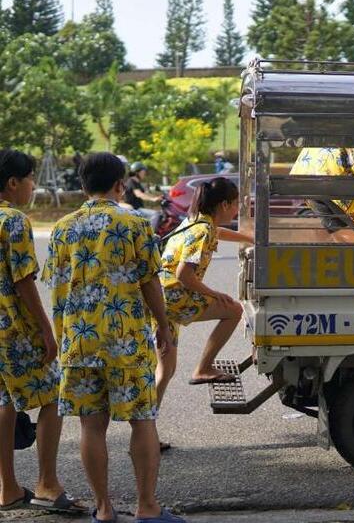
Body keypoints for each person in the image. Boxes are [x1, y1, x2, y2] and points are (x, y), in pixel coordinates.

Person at [43, 152, 185, 523]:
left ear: (83, 184)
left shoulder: (62, 228)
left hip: (78, 342)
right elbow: (150, 280)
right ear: (120, 184)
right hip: (125, 343)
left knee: (91, 425)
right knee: (142, 419)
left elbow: (57, 288)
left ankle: (104, 510)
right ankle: (147, 507)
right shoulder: (133, 222)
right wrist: (164, 327)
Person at [0, 150, 82, 514]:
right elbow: (24, 282)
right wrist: (47, 332)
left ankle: (7, 489)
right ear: (13, 183)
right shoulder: (13, 221)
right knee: (54, 395)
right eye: (31, 178)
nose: (33, 186)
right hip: (14, 329)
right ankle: (47, 483)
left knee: (4, 401)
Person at [155, 177, 254, 415]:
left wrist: (249, 238)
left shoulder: (196, 222)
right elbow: (184, 275)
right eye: (235, 205)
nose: (236, 210)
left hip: (159, 298)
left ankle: (146, 432)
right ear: (224, 205)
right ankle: (204, 368)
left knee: (165, 369)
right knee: (233, 309)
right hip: (174, 296)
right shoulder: (202, 231)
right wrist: (215, 293)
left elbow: (217, 232)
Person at [123, 162, 162, 229]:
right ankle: (150, 235)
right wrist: (153, 199)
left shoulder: (137, 182)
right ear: (137, 172)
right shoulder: (131, 181)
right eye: (143, 171)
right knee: (155, 214)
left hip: (138, 208)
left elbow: (145, 194)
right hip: (134, 209)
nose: (144, 173)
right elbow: (139, 194)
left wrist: (157, 197)